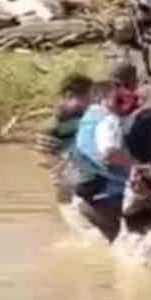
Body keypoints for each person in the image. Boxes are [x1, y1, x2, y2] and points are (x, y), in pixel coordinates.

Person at [70, 62, 147, 242]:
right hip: (108, 197)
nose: (121, 102)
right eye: (116, 98)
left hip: (85, 194)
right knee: (135, 244)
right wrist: (134, 164)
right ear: (104, 99)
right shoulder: (108, 120)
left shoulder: (89, 116)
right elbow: (109, 152)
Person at [34, 74, 96, 204]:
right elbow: (43, 159)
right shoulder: (53, 126)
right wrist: (68, 165)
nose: (90, 102)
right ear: (69, 96)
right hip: (70, 185)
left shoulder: (87, 116)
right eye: (86, 98)